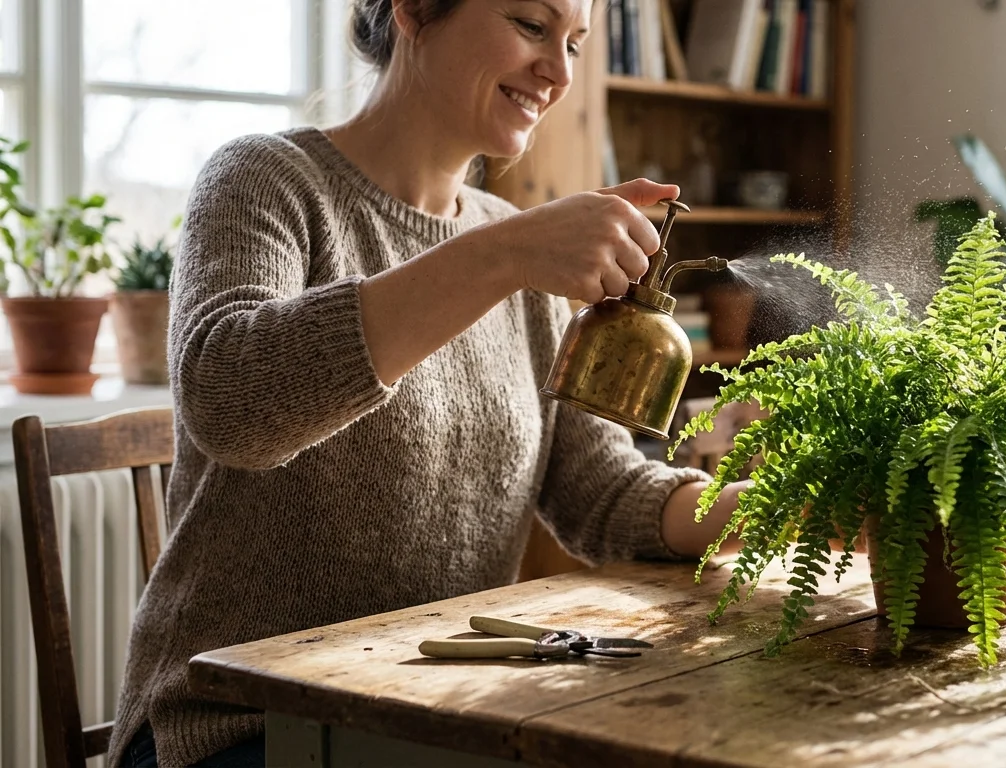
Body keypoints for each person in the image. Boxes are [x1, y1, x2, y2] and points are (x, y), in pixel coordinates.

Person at [110, 1, 747, 764]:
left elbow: (600, 491)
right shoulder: (266, 180)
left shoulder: (518, 243)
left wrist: (769, 506)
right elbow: (230, 405)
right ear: (414, 10)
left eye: (575, 42)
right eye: (529, 24)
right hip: (235, 727)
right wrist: (496, 255)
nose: (560, 70)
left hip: (423, 719)